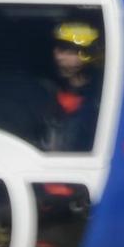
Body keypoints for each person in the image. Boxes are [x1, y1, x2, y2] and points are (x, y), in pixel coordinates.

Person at [44, 21, 104, 152]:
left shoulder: (101, 97)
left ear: (89, 54)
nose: (59, 56)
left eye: (68, 51)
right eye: (58, 49)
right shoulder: (48, 87)